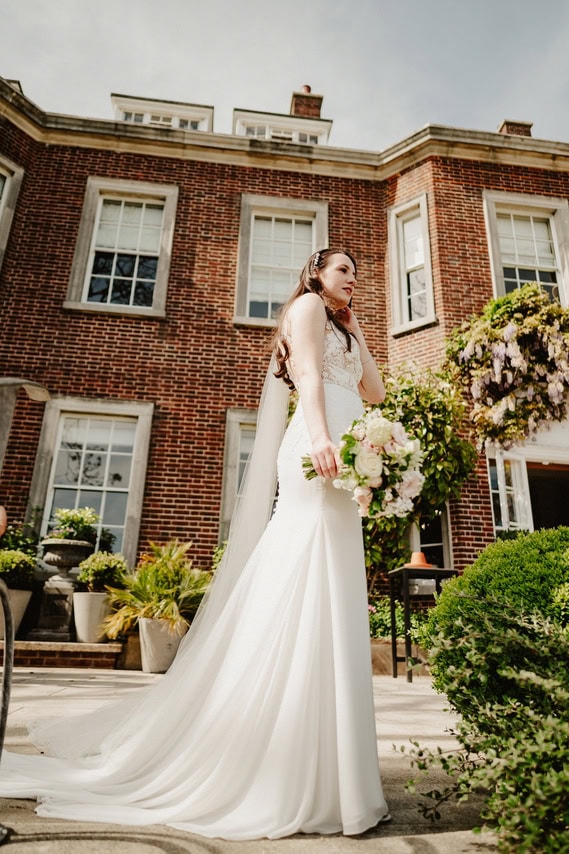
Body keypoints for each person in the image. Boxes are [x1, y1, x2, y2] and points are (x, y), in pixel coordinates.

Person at [0, 248, 390, 839]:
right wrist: (319, 438)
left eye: (356, 274)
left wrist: (357, 331)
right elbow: (310, 377)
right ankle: (283, 751)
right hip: (320, 452)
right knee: (304, 577)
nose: (352, 279)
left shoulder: (342, 324)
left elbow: (376, 393)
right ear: (315, 274)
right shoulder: (308, 308)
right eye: (343, 270)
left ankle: (332, 761)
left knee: (332, 584)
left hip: (347, 456)